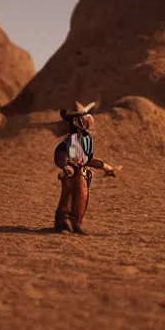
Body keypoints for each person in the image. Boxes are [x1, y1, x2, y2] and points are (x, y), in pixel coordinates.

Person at [52, 101, 120, 235]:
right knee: (70, 196)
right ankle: (63, 221)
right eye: (84, 120)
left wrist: (107, 167)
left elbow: (89, 159)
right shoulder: (70, 140)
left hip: (81, 174)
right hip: (73, 173)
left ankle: (75, 222)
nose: (87, 122)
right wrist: (67, 166)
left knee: (80, 196)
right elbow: (62, 156)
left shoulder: (87, 140)